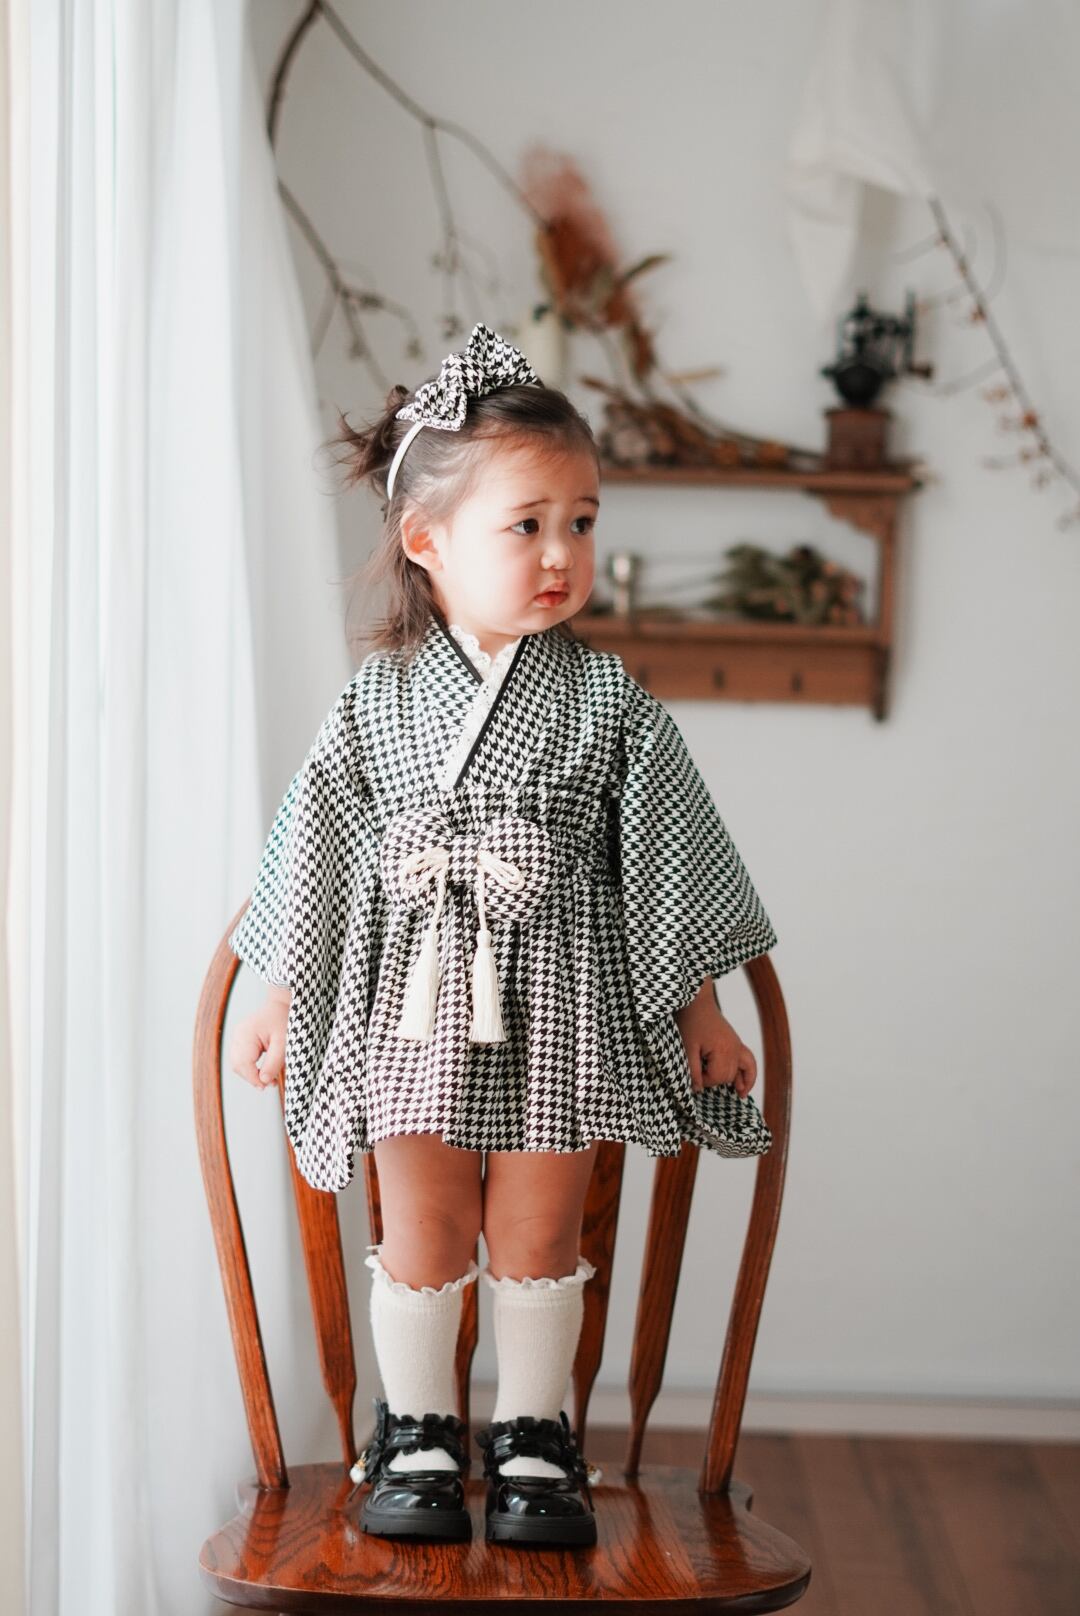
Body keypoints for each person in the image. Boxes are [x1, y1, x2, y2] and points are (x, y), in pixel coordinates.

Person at [226, 322, 779, 1549]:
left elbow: (666, 861)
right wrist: (281, 992)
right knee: (420, 1226)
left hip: (565, 1003)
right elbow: (317, 848)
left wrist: (700, 1005)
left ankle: (535, 1433)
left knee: (538, 1231)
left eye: (581, 521)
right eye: (526, 524)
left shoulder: (610, 701)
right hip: (412, 1003)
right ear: (427, 541)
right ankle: (418, 1429)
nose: (561, 552)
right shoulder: (374, 702)